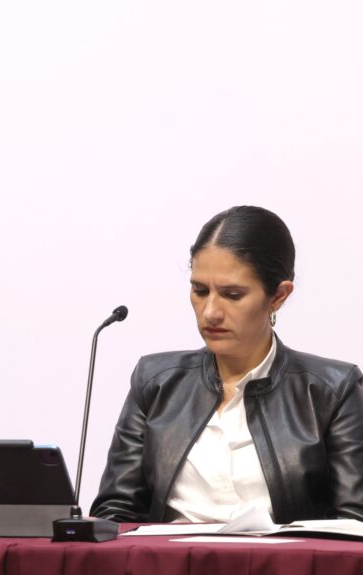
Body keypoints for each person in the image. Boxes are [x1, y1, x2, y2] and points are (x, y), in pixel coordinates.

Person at [91, 206, 363, 524]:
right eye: (199, 291)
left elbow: (354, 522)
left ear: (278, 296)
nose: (210, 312)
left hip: (282, 558)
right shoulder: (156, 382)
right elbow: (116, 512)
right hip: (169, 556)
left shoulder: (332, 391)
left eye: (232, 295)